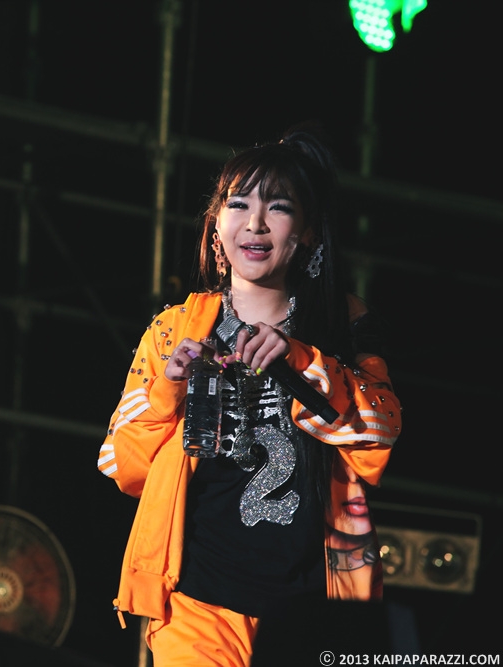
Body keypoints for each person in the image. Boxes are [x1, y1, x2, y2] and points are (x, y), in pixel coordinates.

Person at [97, 126, 400, 666]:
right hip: (197, 603)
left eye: (278, 208)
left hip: (311, 610)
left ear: (308, 232)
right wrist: (169, 388)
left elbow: (380, 436)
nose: (255, 223)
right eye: (238, 204)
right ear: (216, 224)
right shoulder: (173, 330)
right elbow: (123, 464)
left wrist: (302, 360)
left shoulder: (344, 324)